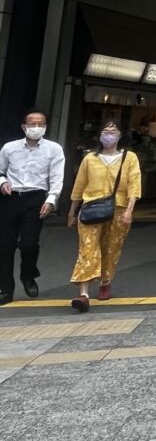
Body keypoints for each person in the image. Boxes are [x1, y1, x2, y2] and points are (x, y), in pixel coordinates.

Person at [67, 121, 141, 311]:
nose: (109, 135)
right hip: (91, 207)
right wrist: (72, 210)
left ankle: (105, 281)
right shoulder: (90, 158)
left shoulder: (129, 157)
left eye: (113, 131)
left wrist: (129, 210)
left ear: (120, 135)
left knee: (111, 247)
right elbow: (79, 184)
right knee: (88, 248)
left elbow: (134, 184)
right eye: (105, 131)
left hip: (119, 209)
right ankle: (83, 294)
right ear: (99, 135)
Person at [0, 111, 65, 304]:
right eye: (32, 123)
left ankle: (28, 275)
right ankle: (6, 288)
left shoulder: (54, 149)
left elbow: (56, 177)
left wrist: (51, 200)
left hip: (36, 198)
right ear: (23, 126)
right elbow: (0, 170)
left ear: (45, 127)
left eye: (40, 124)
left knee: (29, 243)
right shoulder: (9, 148)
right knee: (5, 246)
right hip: (10, 198)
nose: (36, 127)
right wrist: (2, 182)